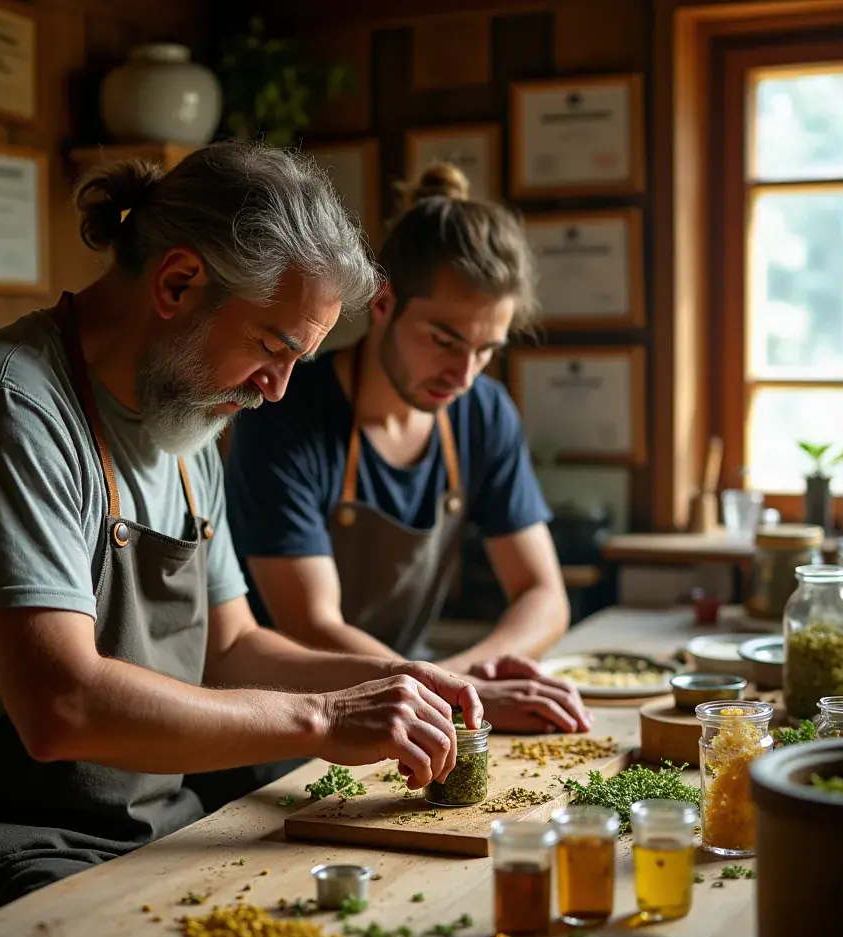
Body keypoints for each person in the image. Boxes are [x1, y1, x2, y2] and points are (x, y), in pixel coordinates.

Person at [0, 143, 483, 937]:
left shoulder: (186, 418)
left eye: (299, 359)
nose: (278, 389)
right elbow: (62, 707)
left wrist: (394, 683)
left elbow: (230, 649)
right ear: (178, 283)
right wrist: (327, 717)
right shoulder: (6, 409)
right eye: (274, 344)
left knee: (358, 933)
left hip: (141, 821)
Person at [226, 163, 589, 737]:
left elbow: (544, 593)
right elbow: (309, 624)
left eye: (486, 349)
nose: (464, 374)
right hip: (287, 722)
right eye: (445, 340)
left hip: (418, 711)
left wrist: (458, 686)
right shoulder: (286, 414)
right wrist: (458, 695)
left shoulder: (482, 412)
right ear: (383, 302)